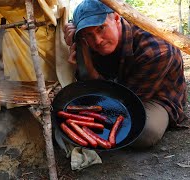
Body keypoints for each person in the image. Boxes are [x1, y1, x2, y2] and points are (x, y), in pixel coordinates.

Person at [63, 0, 188, 148]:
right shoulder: (86, 39)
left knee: (145, 132)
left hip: (152, 97)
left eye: (101, 28)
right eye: (88, 34)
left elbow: (125, 102)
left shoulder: (155, 49)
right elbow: (89, 81)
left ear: (116, 18)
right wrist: (81, 49)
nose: (97, 40)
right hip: (115, 86)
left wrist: (88, 111)